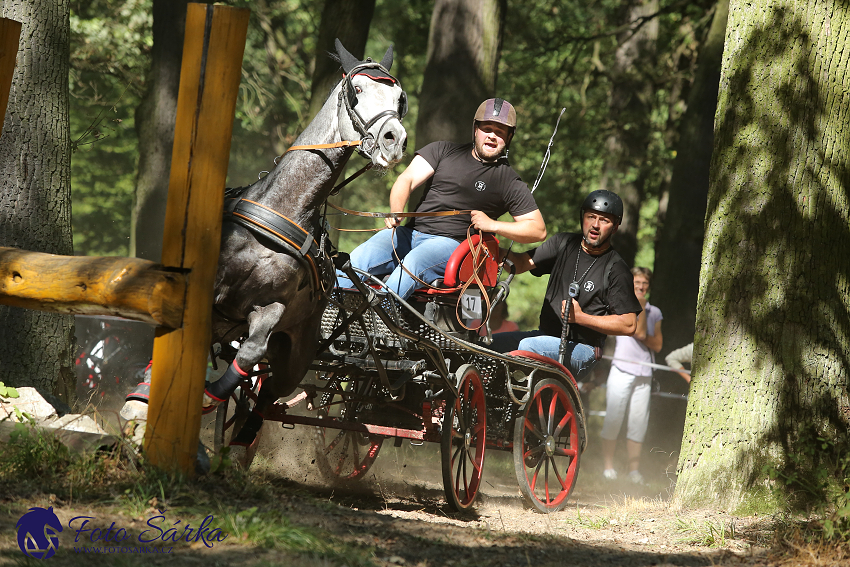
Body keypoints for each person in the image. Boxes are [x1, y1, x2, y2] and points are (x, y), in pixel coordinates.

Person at [336, 98, 546, 299]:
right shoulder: (444, 151)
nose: (492, 136)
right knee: (359, 257)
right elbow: (406, 180)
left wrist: (493, 225)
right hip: (408, 233)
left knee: (414, 263)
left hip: (450, 245)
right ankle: (328, 315)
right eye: (487, 129)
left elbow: (537, 230)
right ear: (475, 130)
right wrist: (396, 210)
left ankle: (381, 319)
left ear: (509, 138)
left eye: (499, 132)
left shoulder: (508, 181)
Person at [491, 189, 641, 381]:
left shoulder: (616, 269)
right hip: (544, 336)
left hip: (583, 348)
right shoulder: (563, 243)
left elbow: (629, 324)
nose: (595, 225)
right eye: (591, 217)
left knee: (527, 348)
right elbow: (520, 264)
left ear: (615, 227)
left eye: (604, 220)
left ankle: (520, 404)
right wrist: (490, 246)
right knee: (489, 345)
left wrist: (580, 317)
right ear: (583, 217)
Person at [598, 267, 662, 484]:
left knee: (638, 422)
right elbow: (642, 333)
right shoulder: (622, 307)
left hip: (644, 372)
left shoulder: (655, 312)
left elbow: (657, 344)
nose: (641, 287)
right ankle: (608, 467)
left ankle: (633, 471)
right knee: (613, 418)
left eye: (644, 283)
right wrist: (640, 308)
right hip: (622, 369)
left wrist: (644, 312)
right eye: (637, 283)